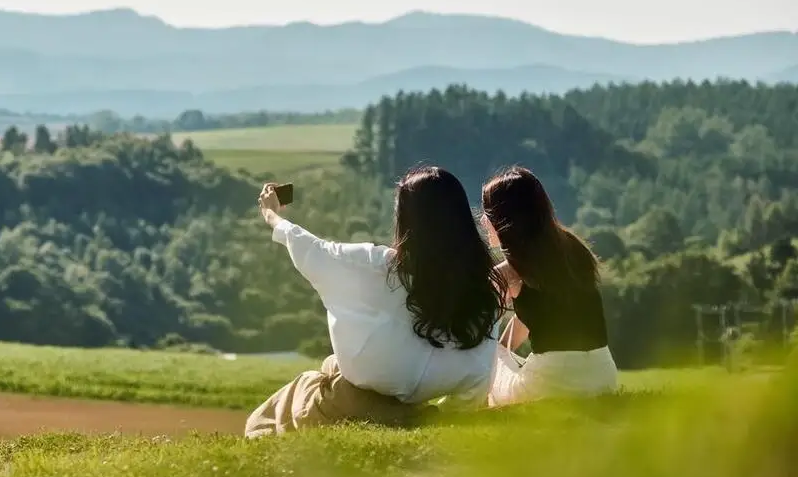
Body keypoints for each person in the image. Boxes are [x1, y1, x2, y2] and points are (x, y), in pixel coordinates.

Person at [244, 165, 506, 438]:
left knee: (267, 418)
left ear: (405, 220)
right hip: (415, 409)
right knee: (331, 365)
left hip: (356, 402)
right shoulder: (483, 294)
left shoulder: (379, 268)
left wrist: (271, 214)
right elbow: (477, 379)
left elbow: (312, 249)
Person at [481, 166, 618, 407]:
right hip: (604, 375)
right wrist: (506, 351)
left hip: (553, 382)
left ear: (501, 220)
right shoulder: (574, 250)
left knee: (489, 354)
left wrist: (500, 354)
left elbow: (478, 330)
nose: (483, 220)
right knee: (500, 353)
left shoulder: (507, 273)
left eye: (487, 214)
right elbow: (536, 311)